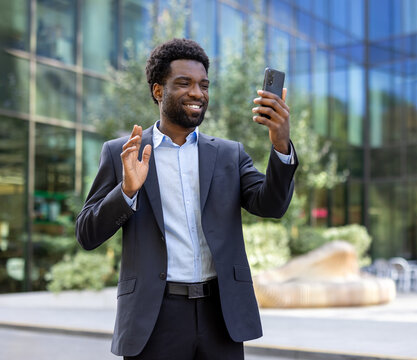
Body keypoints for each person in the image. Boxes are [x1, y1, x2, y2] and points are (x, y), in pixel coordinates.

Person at [76, 38, 297, 360]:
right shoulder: (123, 153)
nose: (198, 93)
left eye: (203, 85)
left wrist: (280, 145)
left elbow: (272, 206)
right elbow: (87, 234)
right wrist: (126, 191)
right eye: (184, 83)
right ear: (157, 91)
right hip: (153, 317)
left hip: (220, 314)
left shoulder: (228, 154)